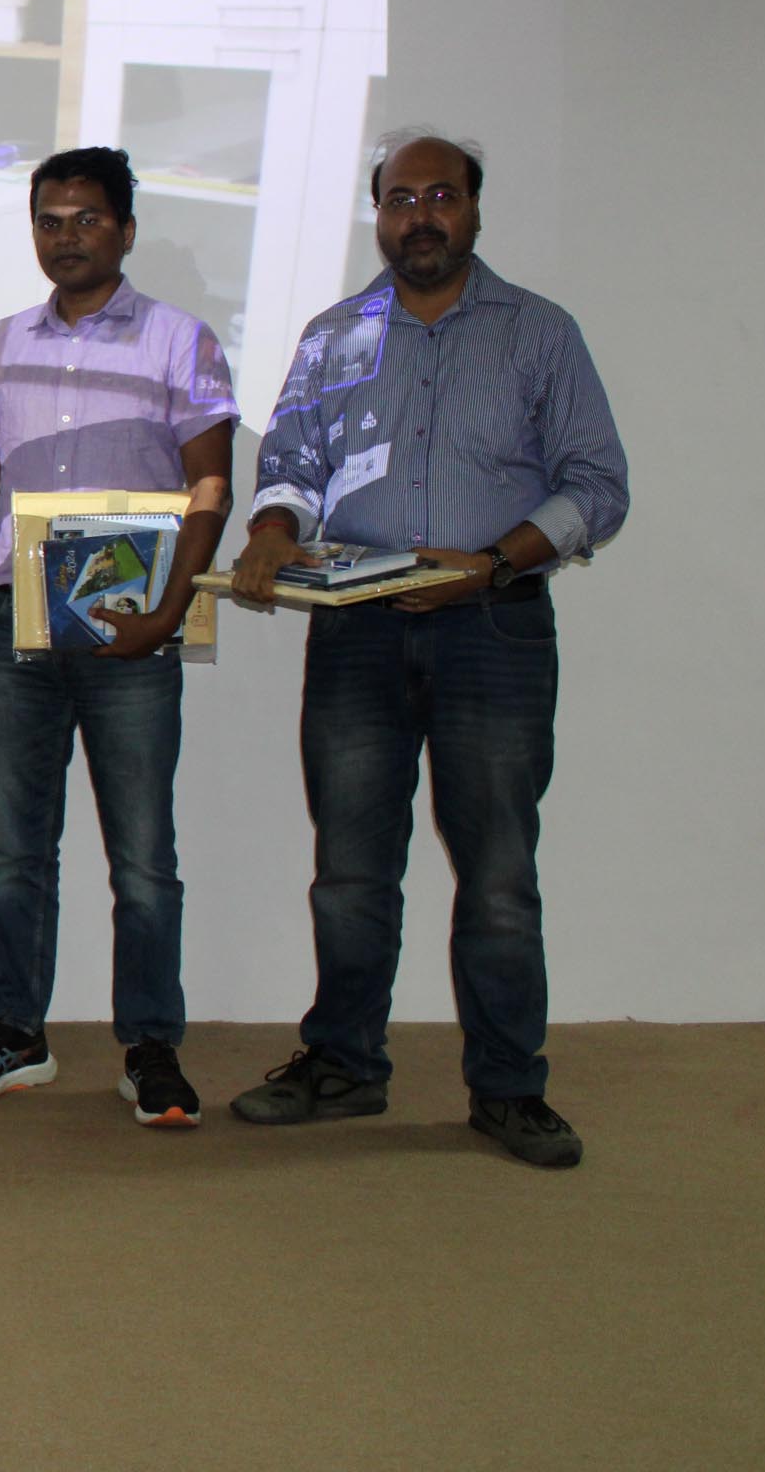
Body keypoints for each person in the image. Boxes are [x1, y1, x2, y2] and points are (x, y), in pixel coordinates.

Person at [224, 129, 629, 1169]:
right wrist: (271, 526)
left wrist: (489, 564)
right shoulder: (334, 336)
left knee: (497, 876)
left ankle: (509, 1090)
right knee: (351, 869)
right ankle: (344, 1065)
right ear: (379, 215)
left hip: (494, 627)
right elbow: (291, 462)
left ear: (475, 208)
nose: (420, 217)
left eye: (440, 196)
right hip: (356, 632)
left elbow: (597, 485)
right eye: (400, 199)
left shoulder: (539, 333)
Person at [0, 148, 238, 1127]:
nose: (67, 238)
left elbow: (211, 486)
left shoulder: (180, 340)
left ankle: (150, 1048)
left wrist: (170, 609)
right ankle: (16, 1032)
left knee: (144, 859)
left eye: (88, 220)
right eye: (49, 221)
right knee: (19, 854)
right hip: (18, 629)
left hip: (134, 633)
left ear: (127, 231)